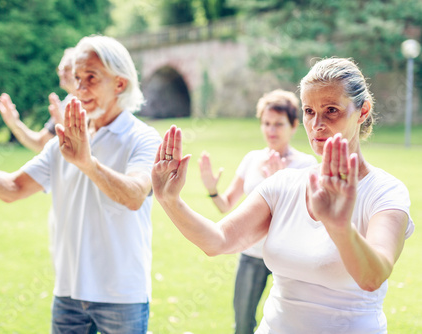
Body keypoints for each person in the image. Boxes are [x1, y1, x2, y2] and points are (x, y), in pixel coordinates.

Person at [151, 57, 414, 333]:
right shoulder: (284, 184)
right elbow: (219, 241)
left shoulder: (385, 191)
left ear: (362, 111)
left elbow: (373, 276)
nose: (317, 124)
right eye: (309, 111)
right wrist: (170, 201)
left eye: (332, 110)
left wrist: (338, 226)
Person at [0, 35, 161, 334]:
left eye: (91, 79)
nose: (79, 89)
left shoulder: (143, 138)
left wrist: (88, 163)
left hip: (121, 296)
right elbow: (13, 188)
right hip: (68, 294)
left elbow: (135, 196)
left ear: (120, 84)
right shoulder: (64, 140)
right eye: (77, 78)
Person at [198, 89, 317, 334]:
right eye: (266, 123)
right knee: (242, 323)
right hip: (252, 255)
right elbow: (226, 205)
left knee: (293, 325)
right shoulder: (252, 159)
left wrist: (278, 183)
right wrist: (212, 189)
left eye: (278, 124)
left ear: (294, 125)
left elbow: (308, 219)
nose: (271, 130)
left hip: (290, 257)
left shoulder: (306, 165)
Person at [0, 47, 77, 152]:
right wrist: (14, 124)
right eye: (59, 70)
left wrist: (66, 130)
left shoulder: (93, 103)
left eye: (66, 69)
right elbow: (41, 143)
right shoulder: (66, 103)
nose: (61, 74)